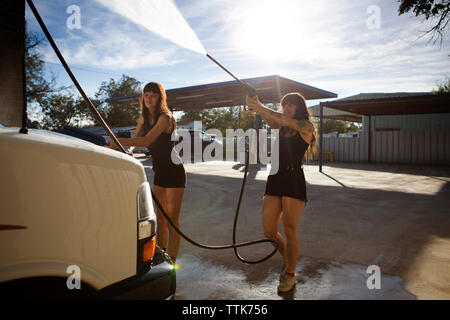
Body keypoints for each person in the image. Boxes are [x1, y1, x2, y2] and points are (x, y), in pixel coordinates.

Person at [246, 92, 316, 292]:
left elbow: (278, 117)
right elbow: (273, 118)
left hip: (294, 180)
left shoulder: (306, 127)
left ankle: (291, 275)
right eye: (284, 105)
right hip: (275, 179)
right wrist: (254, 105)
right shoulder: (280, 126)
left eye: (291, 105)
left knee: (290, 229)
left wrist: (259, 106)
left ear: (299, 108)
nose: (286, 109)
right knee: (269, 230)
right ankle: (288, 260)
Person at [107, 82, 186, 262]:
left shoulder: (165, 117)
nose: (149, 98)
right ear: (142, 97)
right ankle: (162, 254)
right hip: (159, 172)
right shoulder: (143, 117)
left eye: (153, 95)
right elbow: (136, 140)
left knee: (172, 219)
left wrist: (117, 140)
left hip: (174, 172)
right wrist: (124, 149)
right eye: (146, 94)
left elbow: (147, 140)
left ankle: (172, 261)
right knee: (161, 217)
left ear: (160, 98)